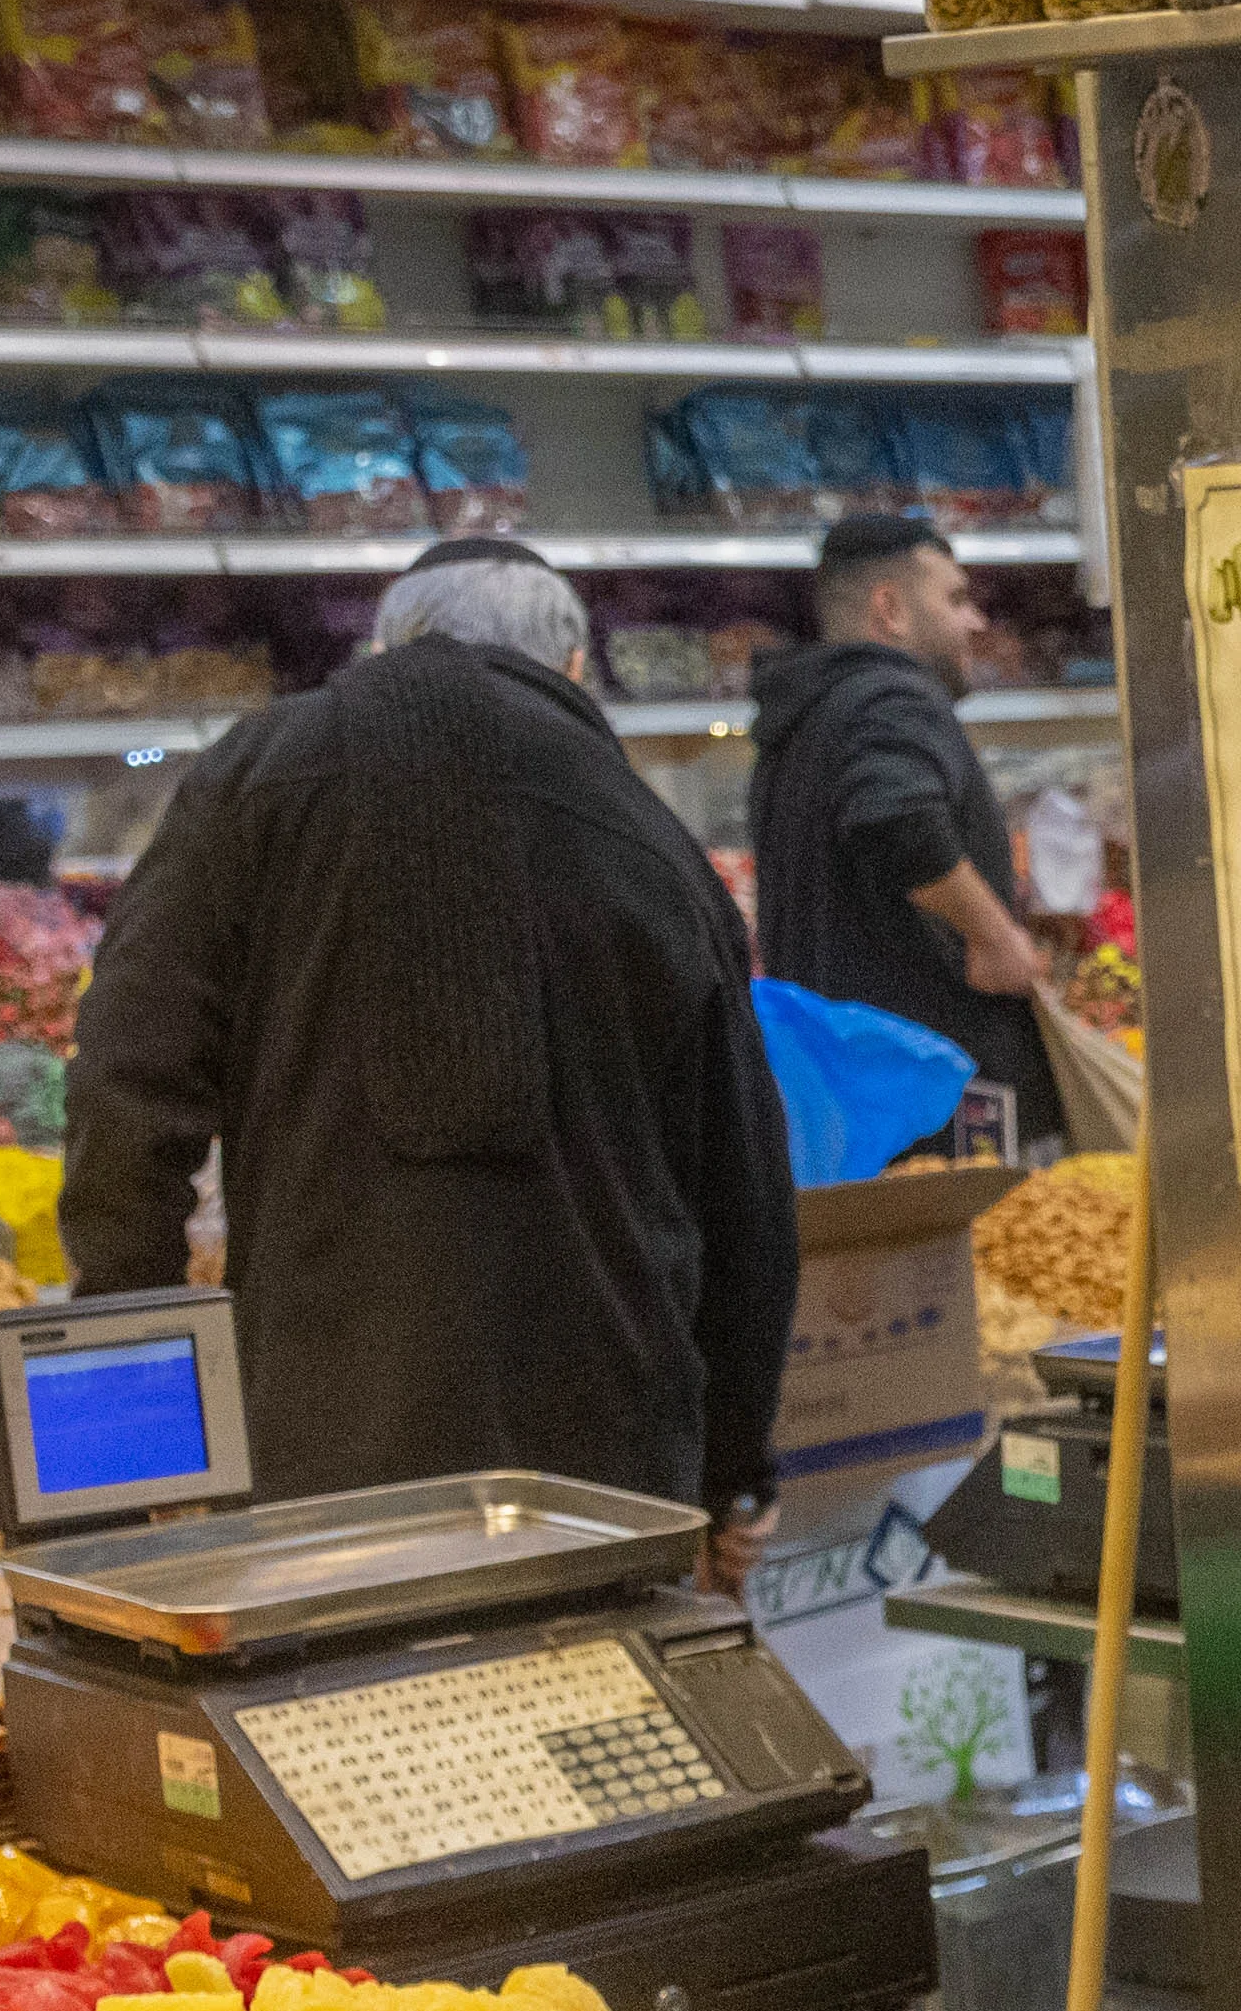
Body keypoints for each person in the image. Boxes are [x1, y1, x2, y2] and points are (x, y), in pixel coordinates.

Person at [63, 546, 798, 1574]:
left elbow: (126, 1083)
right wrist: (729, 1472)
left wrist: (132, 1416)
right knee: (588, 1725)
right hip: (603, 1461)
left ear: (378, 650)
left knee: (341, 1725)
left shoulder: (252, 782)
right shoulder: (650, 840)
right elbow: (746, 1197)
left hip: (318, 1441)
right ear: (576, 669)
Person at [743, 512, 1082, 1151]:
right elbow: (896, 819)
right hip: (932, 1090)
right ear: (890, 610)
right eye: (955, 599)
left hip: (852, 1094)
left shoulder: (803, 717)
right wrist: (993, 936)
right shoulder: (889, 696)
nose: (975, 622)